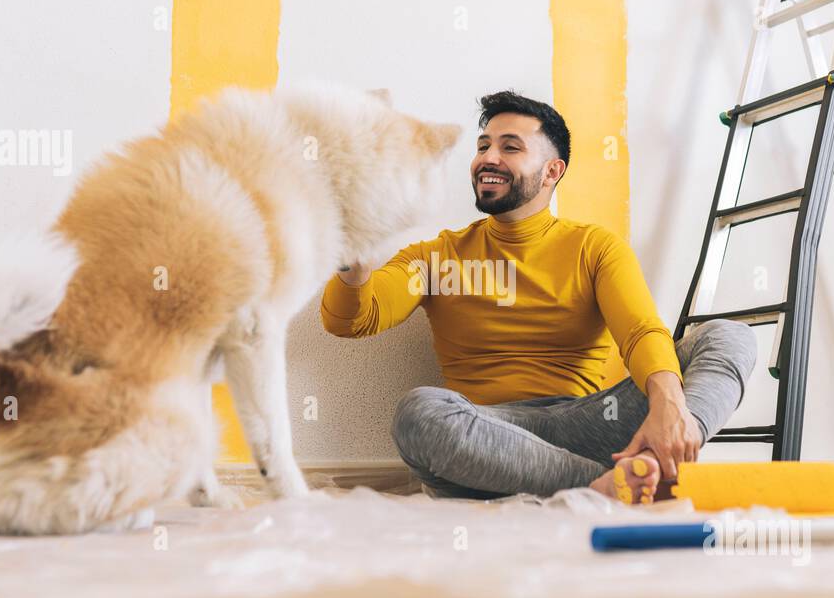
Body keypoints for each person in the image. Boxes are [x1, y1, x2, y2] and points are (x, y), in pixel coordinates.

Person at [320, 91, 756, 502]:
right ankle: (607, 485)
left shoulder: (593, 246)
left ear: (552, 171)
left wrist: (670, 403)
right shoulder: (439, 256)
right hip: (489, 434)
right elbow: (354, 319)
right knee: (420, 412)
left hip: (589, 422)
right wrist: (353, 261)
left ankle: (660, 456)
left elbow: (641, 332)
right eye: (483, 145)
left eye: (510, 147)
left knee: (729, 336)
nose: (488, 158)